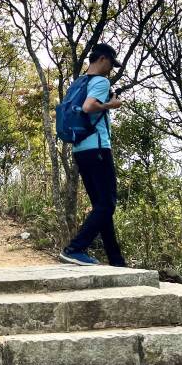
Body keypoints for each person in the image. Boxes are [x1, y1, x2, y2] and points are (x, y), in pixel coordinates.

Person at [59, 43, 126, 267]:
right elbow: (88, 107)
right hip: (97, 148)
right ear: (103, 59)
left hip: (80, 150)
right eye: (110, 64)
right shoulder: (100, 81)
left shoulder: (78, 82)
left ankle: (117, 261)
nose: (111, 69)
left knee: (101, 205)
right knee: (107, 203)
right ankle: (75, 248)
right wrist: (111, 104)